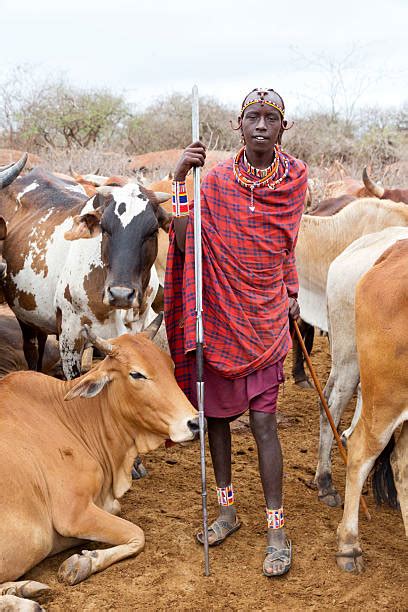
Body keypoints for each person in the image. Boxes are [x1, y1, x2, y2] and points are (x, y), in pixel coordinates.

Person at [164, 88, 308, 577]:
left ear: (283, 128)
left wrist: (288, 288)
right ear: (238, 125)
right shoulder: (215, 179)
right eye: (253, 117)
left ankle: (276, 527)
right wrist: (181, 179)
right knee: (219, 419)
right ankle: (227, 510)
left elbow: (287, 241)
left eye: (271, 118)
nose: (262, 125)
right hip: (221, 315)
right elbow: (185, 239)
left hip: (265, 318)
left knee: (265, 425)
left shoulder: (295, 179)